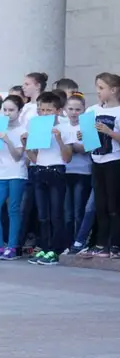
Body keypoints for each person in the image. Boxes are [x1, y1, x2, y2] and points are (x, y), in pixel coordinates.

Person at [24, 91, 74, 265]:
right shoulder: (34, 125)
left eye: (49, 110)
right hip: (39, 169)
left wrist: (59, 138)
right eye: (42, 110)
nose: (44, 113)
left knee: (56, 213)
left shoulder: (65, 127)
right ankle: (44, 248)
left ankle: (55, 249)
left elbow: (68, 157)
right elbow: (33, 157)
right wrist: (26, 144)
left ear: (58, 111)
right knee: (42, 214)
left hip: (57, 170)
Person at [0, 94, 28, 260]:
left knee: (13, 210)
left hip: (17, 173)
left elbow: (17, 156)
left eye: (11, 110)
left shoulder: (23, 131)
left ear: (19, 111)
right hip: (1, 173)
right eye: (5, 110)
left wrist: (7, 140)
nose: (7, 113)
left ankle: (13, 247)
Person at [88, 73, 120, 257]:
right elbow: (88, 139)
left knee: (114, 205)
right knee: (100, 204)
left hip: (114, 161)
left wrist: (110, 132)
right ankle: (101, 243)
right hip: (97, 160)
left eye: (101, 88)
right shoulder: (93, 110)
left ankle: (115, 244)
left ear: (113, 90)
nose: (98, 92)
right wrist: (83, 136)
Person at [63, 93, 93, 245]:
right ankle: (68, 243)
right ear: (65, 110)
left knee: (78, 211)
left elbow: (88, 149)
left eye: (78, 109)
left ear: (83, 110)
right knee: (67, 213)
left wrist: (71, 146)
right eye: (71, 109)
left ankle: (80, 241)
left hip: (83, 172)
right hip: (66, 172)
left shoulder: (86, 126)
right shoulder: (61, 127)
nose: (74, 112)